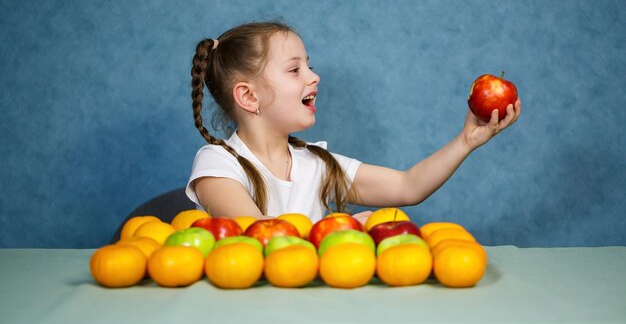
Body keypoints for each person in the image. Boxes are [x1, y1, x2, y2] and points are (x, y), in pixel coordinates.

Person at [186, 22, 521, 224]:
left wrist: (466, 141)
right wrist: (343, 231)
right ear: (248, 97)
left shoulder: (317, 163)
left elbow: (407, 186)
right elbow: (257, 238)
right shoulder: (217, 165)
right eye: (295, 70)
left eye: (309, 65)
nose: (314, 77)